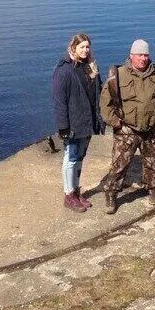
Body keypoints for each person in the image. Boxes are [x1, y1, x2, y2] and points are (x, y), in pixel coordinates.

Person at [100, 39, 155, 214]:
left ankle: (154, 194)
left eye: (146, 55)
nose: (143, 58)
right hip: (127, 130)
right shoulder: (118, 75)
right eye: (139, 55)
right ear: (131, 55)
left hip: (150, 130)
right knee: (119, 165)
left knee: (152, 164)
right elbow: (105, 104)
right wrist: (116, 123)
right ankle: (111, 194)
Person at [51, 33, 104, 213]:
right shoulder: (64, 70)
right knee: (71, 158)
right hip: (73, 124)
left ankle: (76, 190)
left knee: (80, 158)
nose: (85, 50)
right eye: (82, 47)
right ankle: (69, 195)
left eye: (87, 47)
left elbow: (99, 91)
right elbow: (59, 101)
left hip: (87, 122)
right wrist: (63, 127)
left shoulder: (90, 67)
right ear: (73, 48)